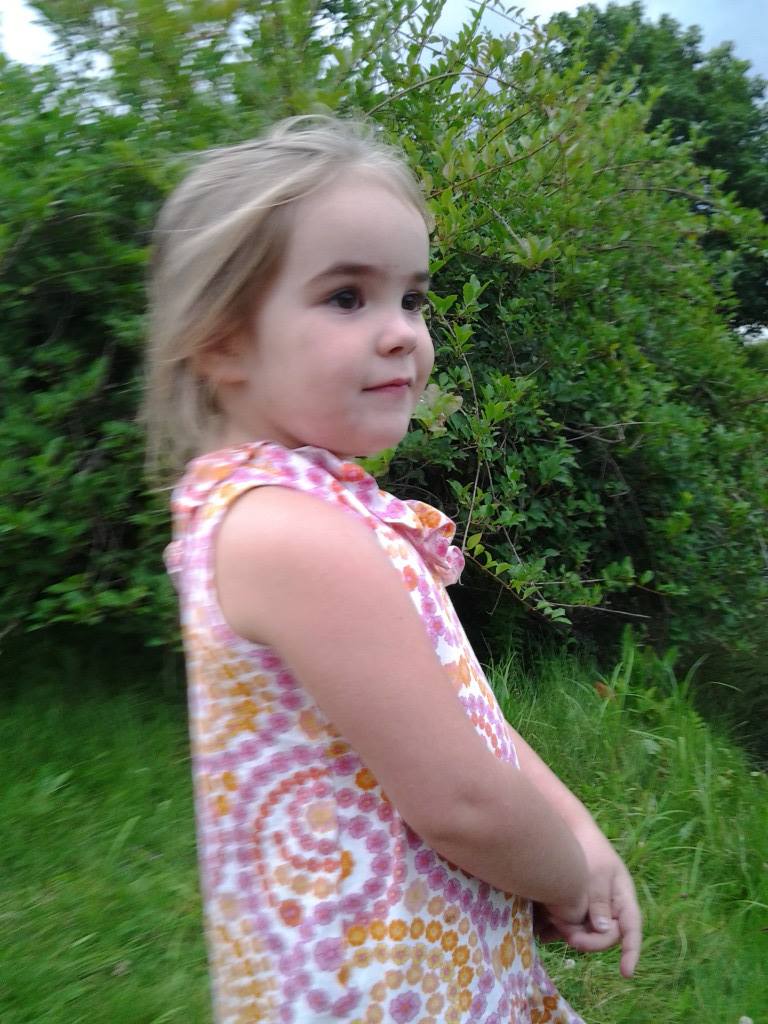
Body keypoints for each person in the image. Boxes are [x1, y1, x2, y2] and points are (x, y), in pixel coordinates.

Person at [142, 114, 641, 1024]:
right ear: (221, 340)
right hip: (380, 989)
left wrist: (577, 829)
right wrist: (568, 880)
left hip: (419, 962)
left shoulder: (311, 510)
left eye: (411, 298)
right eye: (347, 297)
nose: (403, 333)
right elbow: (463, 803)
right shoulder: (293, 534)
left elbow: (459, 719)